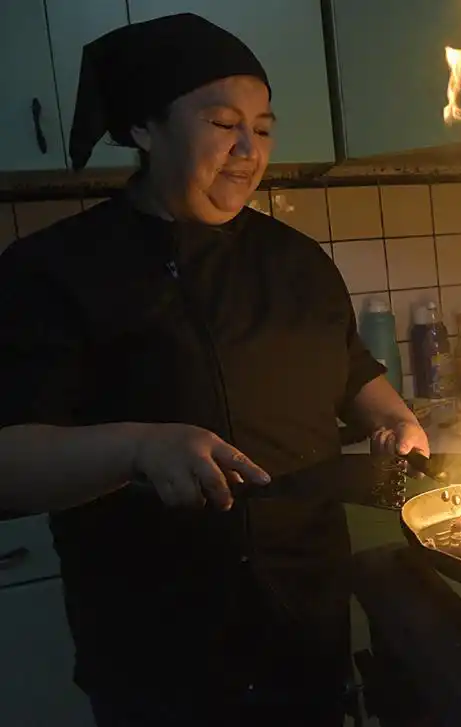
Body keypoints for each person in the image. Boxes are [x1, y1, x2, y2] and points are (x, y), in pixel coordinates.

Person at [0, 13, 428, 727]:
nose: (247, 149)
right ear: (143, 129)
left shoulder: (298, 263)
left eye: (262, 127)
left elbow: (357, 379)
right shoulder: (51, 273)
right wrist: (140, 447)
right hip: (158, 657)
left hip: (307, 633)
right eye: (224, 122)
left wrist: (397, 421)